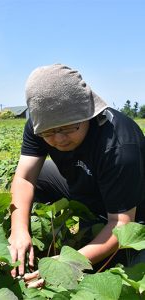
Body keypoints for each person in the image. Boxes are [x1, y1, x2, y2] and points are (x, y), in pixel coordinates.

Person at [8, 63, 145, 287]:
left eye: (69, 128)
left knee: (130, 268)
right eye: (49, 132)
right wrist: (19, 230)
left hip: (132, 210)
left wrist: (67, 264)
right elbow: (24, 178)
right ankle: (24, 252)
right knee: (37, 177)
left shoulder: (119, 144)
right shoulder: (39, 126)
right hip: (86, 187)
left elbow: (121, 224)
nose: (59, 139)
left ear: (87, 114)